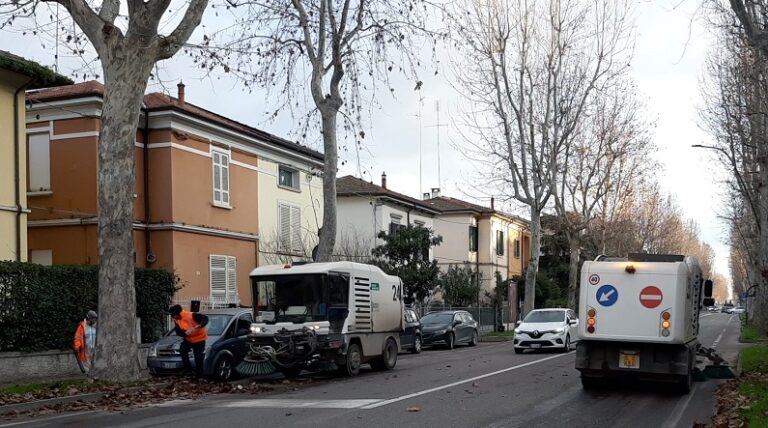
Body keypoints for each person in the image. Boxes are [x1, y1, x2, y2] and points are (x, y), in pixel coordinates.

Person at [168, 304, 209, 377]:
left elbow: (205, 318)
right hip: (189, 339)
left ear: (177, 314)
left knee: (198, 357)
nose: (173, 317)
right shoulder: (177, 320)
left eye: (173, 315)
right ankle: (188, 369)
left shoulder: (191, 315)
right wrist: (184, 333)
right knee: (182, 349)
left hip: (199, 339)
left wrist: (200, 325)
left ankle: (200, 375)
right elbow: (178, 332)